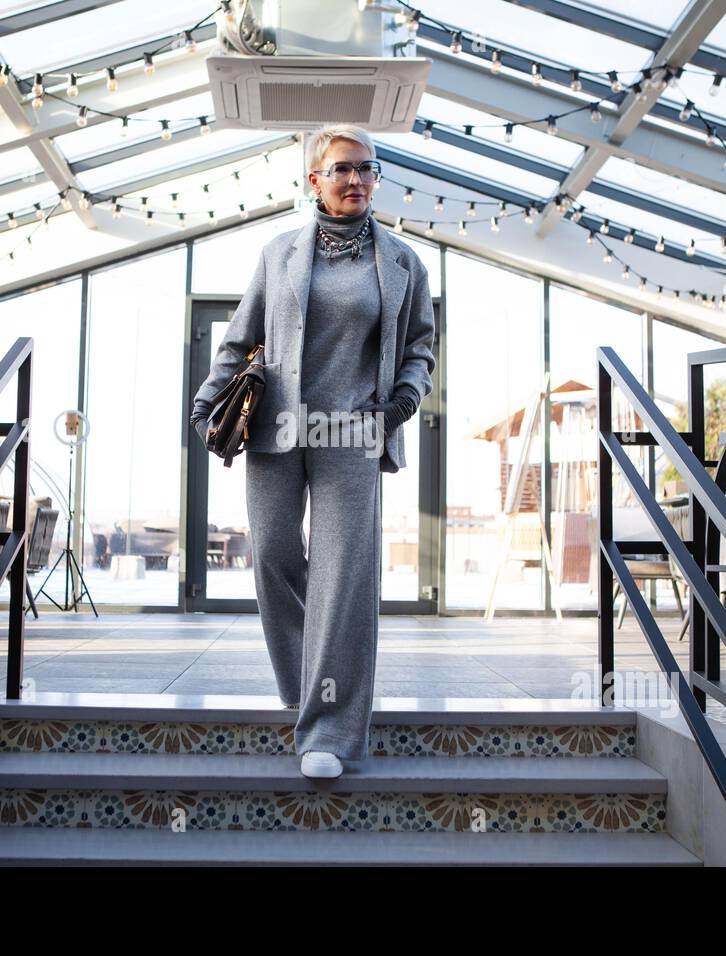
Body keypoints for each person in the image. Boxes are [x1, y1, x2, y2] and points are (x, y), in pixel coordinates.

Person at [190, 123, 435, 778]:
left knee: (342, 576)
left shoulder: (404, 262)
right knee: (271, 554)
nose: (356, 180)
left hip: (355, 430)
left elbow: (420, 346)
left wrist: (406, 399)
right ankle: (311, 687)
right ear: (314, 181)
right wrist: (206, 402)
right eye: (342, 169)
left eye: (366, 168)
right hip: (278, 425)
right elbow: (243, 342)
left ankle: (329, 729)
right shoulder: (280, 254)